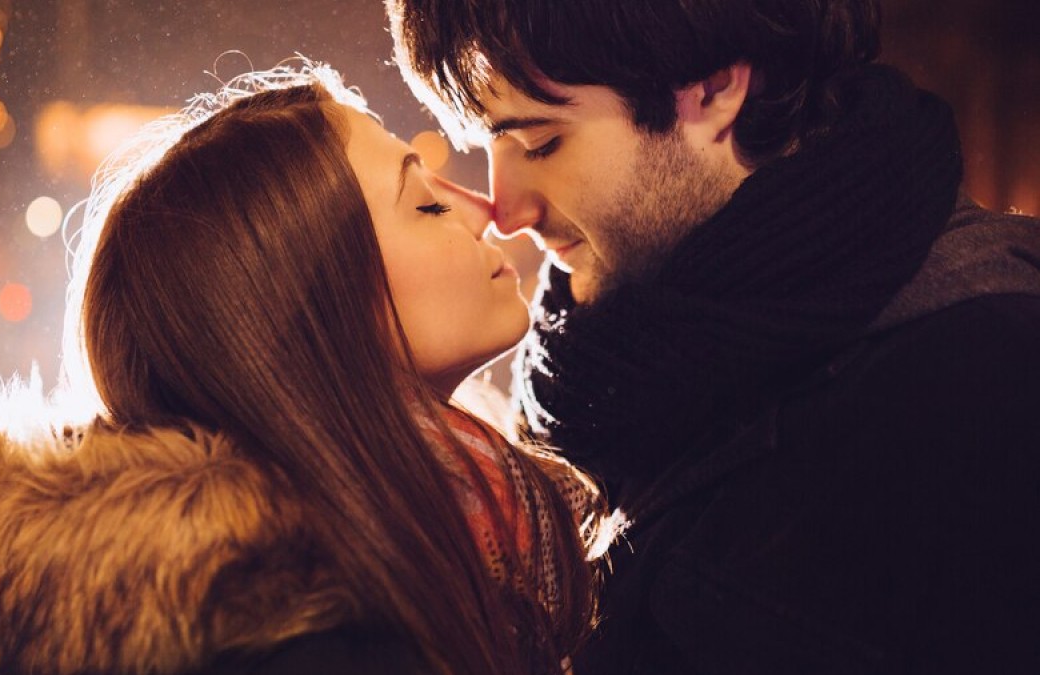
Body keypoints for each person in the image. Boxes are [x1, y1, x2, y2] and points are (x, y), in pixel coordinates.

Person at [0, 64, 616, 675]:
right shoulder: (307, 641)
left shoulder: (418, 545)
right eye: (425, 203)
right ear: (309, 308)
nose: (486, 211)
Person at [387, 0, 1040, 672]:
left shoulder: (986, 385)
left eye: (540, 143)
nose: (506, 211)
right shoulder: (603, 370)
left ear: (714, 87)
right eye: (486, 145)